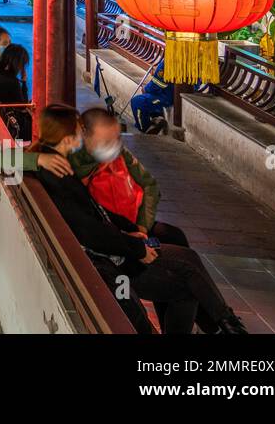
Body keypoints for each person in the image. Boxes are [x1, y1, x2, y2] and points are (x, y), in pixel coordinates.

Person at [30, 104, 247, 334]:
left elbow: (111, 205)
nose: (83, 134)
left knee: (187, 255)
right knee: (186, 280)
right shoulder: (57, 169)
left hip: (113, 244)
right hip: (107, 262)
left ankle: (225, 323)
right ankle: (225, 326)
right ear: (66, 138)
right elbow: (90, 230)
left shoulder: (56, 163)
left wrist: (136, 230)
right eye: (79, 129)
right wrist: (136, 248)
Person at [75, 106, 217, 333]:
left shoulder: (120, 156)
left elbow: (150, 187)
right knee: (183, 278)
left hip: (131, 225)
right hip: (114, 243)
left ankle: (215, 320)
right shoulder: (76, 165)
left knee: (176, 239)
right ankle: (215, 323)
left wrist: (142, 225)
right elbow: (99, 222)